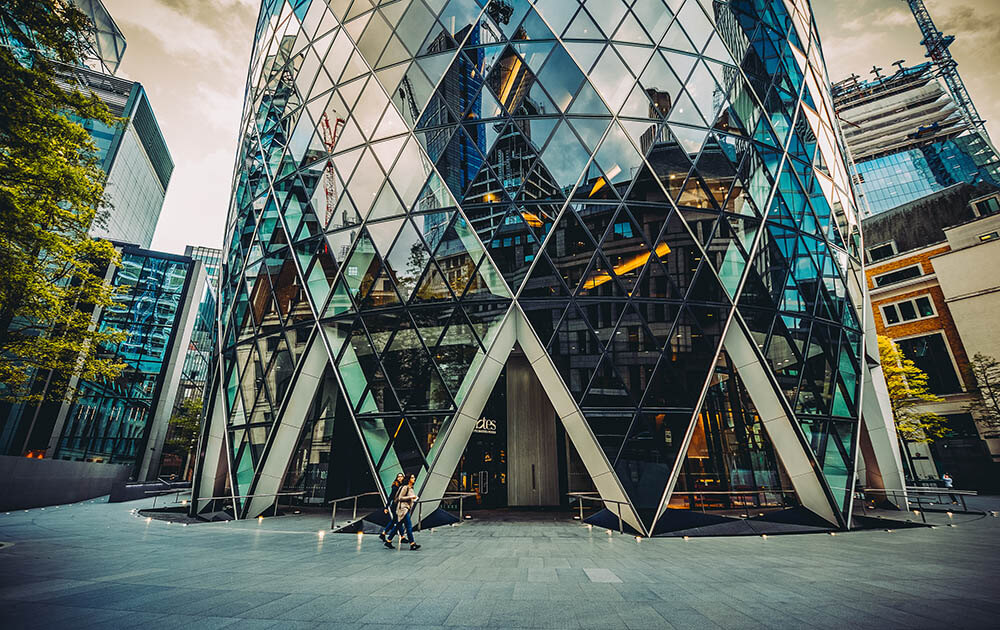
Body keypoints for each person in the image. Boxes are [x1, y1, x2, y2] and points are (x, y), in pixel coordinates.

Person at [385, 474, 420, 550]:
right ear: (409, 479)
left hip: (406, 508)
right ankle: (412, 544)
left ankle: (388, 540)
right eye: (412, 477)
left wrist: (414, 499)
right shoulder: (405, 487)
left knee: (398, 525)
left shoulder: (410, 488)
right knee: (409, 526)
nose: (414, 479)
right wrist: (411, 497)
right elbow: (400, 498)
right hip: (403, 509)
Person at [379, 473, 405, 544]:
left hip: (399, 506)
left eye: (401, 476)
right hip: (395, 506)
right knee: (398, 520)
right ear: (397, 478)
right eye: (398, 477)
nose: (400, 478)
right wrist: (386, 507)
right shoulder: (395, 486)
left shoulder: (402, 485)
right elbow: (391, 497)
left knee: (395, 521)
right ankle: (402, 537)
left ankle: (383, 533)